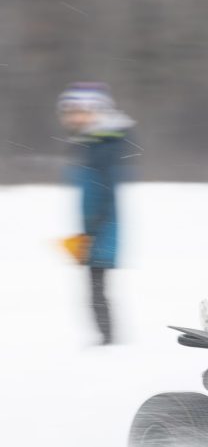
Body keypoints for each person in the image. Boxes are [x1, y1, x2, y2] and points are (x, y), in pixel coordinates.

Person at [57, 82, 135, 345]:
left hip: (101, 231)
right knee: (96, 290)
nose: (70, 118)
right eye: (67, 112)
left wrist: (92, 233)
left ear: (94, 110)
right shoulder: (93, 144)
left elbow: (102, 193)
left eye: (76, 111)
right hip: (96, 231)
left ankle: (108, 341)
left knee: (96, 291)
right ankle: (107, 339)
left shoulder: (102, 147)